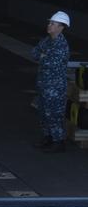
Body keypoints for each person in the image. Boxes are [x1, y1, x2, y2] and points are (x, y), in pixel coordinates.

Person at [31, 10, 70, 152]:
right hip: (43, 84)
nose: (49, 25)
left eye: (53, 23)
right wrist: (43, 55)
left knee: (54, 114)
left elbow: (50, 62)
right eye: (49, 23)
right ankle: (48, 137)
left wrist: (44, 55)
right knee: (43, 112)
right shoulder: (47, 40)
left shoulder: (61, 45)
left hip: (55, 87)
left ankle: (58, 141)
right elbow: (34, 53)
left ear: (61, 27)